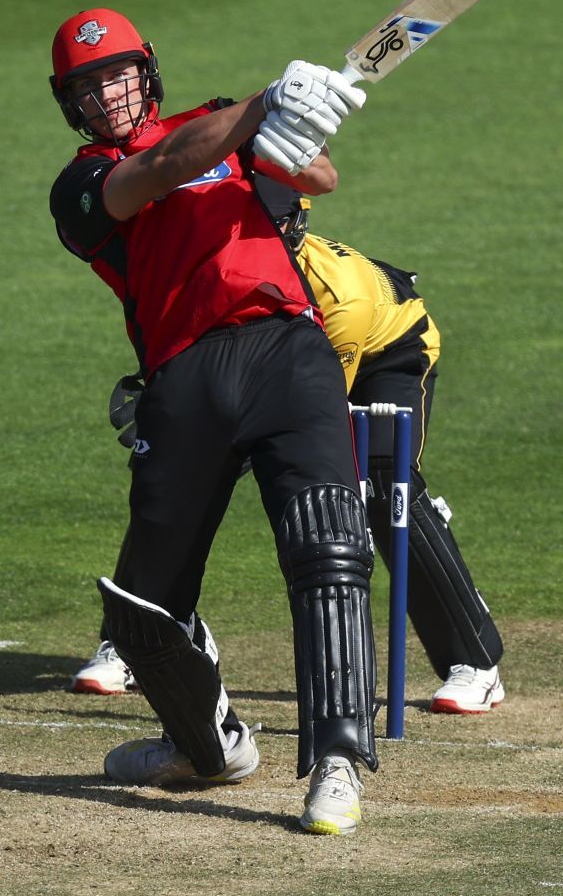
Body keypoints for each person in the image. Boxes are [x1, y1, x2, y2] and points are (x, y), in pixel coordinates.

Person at [47, 6, 377, 835]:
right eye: (88, 87)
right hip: (183, 375)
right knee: (141, 608)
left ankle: (337, 762)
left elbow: (319, 178)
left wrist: (303, 123)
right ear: (70, 104)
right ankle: (206, 748)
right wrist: (267, 104)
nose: (108, 95)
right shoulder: (81, 186)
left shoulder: (218, 122)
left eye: (119, 74)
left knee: (326, 547)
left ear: (147, 72)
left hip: (285, 348)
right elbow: (156, 172)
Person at [76, 182, 507, 715]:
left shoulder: (337, 296)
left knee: (378, 488)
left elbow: (313, 418)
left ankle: (476, 661)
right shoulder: (210, 265)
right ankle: (132, 642)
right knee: (177, 477)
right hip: (274, 357)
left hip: (384, 351)